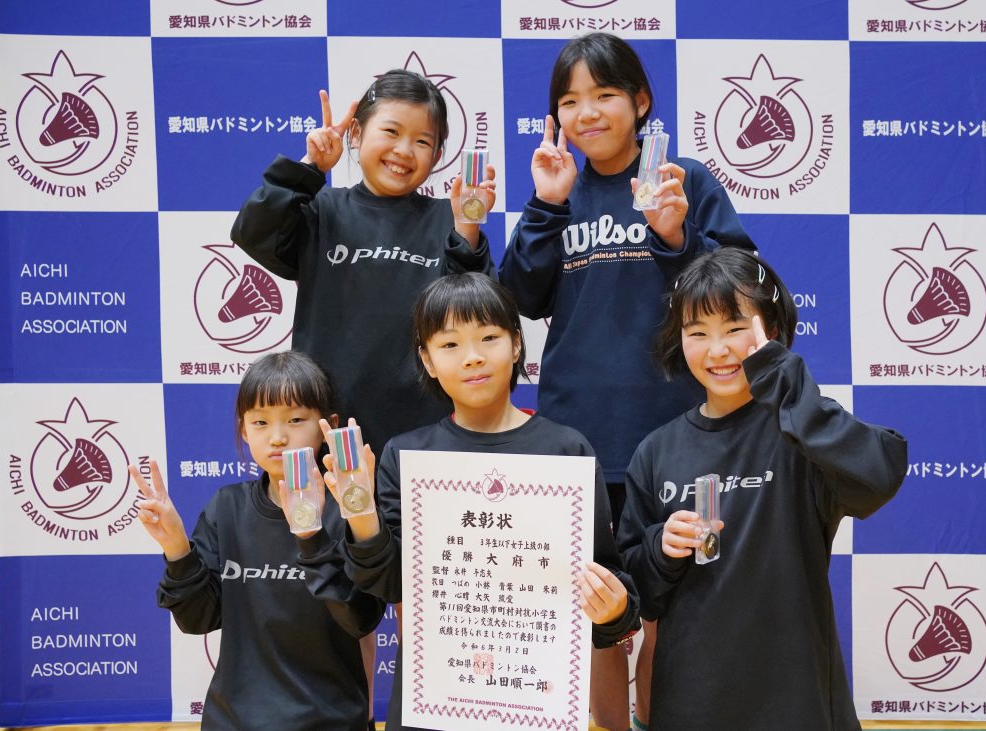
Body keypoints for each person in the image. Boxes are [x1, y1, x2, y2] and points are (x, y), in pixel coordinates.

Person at [497, 31, 755, 730]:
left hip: (678, 432)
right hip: (578, 434)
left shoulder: (682, 178)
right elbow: (514, 299)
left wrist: (677, 239)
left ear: (640, 101)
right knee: (596, 608)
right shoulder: (560, 188)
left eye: (605, 94)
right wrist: (546, 205)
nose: (587, 112)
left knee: (677, 601)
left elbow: (744, 286)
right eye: (569, 100)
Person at [317, 272, 641, 731]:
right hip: (435, 705)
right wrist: (362, 513)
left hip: (534, 703)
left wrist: (613, 610)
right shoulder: (407, 456)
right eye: (449, 344)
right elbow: (389, 586)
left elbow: (607, 587)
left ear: (516, 344)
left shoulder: (566, 451)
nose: (472, 357)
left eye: (488, 337)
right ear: (427, 360)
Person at [617, 248, 908, 731]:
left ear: (770, 330)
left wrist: (786, 384)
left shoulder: (803, 433)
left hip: (797, 702)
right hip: (691, 704)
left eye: (734, 328)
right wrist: (660, 548)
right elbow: (636, 594)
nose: (717, 350)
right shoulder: (655, 451)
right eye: (697, 333)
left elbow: (879, 474)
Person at [231, 69, 496, 465]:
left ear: (438, 155)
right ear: (355, 133)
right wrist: (310, 168)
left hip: (427, 430)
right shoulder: (323, 209)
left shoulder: (448, 218)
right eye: (391, 132)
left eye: (422, 141)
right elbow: (254, 232)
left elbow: (478, 314)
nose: (404, 150)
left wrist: (467, 229)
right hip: (328, 427)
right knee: (333, 507)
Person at [128, 351, 385, 730]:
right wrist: (177, 547)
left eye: (295, 420)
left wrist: (311, 536)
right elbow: (197, 619)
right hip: (233, 721)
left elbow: (360, 618)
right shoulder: (226, 507)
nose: (277, 437)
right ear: (244, 431)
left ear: (327, 426)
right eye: (261, 422)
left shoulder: (351, 510)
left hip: (329, 720)